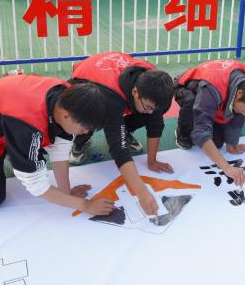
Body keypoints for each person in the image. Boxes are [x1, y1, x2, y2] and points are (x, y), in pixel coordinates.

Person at [0, 74, 110, 215]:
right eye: (83, 128)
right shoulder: (27, 126)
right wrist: (85, 205)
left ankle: (11, 151)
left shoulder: (70, 100)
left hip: (9, 123)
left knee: (29, 147)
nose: (84, 133)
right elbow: (36, 186)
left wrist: (66, 192)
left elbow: (60, 150)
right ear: (66, 116)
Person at [70, 52, 175, 216]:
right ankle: (79, 142)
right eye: (149, 106)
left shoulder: (155, 85)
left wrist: (152, 161)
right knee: (91, 117)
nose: (151, 111)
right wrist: (142, 192)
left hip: (117, 77)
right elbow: (118, 148)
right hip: (89, 81)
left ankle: (125, 129)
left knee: (149, 114)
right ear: (135, 91)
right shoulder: (111, 97)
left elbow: (156, 122)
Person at [172, 59, 245, 187]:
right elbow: (200, 133)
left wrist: (231, 143)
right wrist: (226, 167)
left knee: (217, 143)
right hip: (186, 87)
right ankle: (182, 132)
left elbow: (238, 113)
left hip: (214, 93)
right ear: (239, 93)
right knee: (195, 124)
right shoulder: (212, 88)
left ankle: (210, 116)